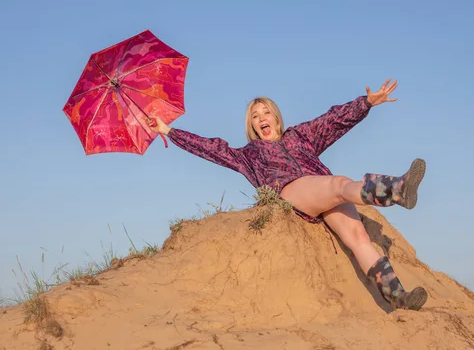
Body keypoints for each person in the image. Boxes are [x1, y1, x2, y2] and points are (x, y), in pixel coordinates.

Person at [146, 78, 428, 311]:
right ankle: (395, 190)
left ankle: (398, 297)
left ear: (276, 117)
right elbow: (212, 148)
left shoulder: (300, 136)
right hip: (293, 192)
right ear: (252, 126)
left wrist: (366, 103)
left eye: (265, 112)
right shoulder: (249, 155)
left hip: (319, 191)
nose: (261, 119)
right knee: (339, 184)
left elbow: (331, 121)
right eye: (255, 117)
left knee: (359, 239)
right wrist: (168, 130)